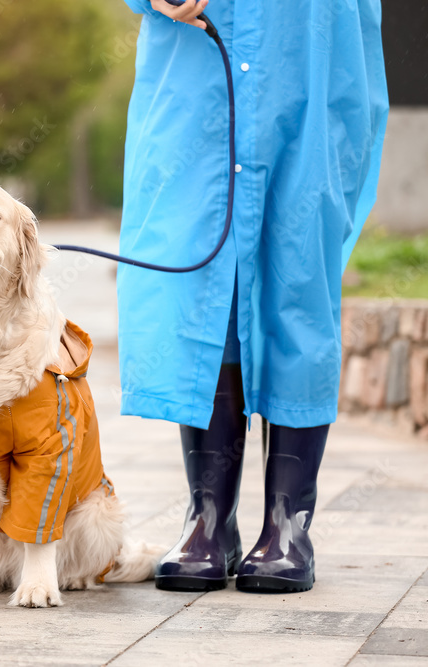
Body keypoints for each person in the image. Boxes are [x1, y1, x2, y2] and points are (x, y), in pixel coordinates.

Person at [116, 0, 389, 592]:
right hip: (195, 71)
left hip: (312, 55)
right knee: (203, 278)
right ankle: (208, 519)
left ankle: (289, 525)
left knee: (298, 282)